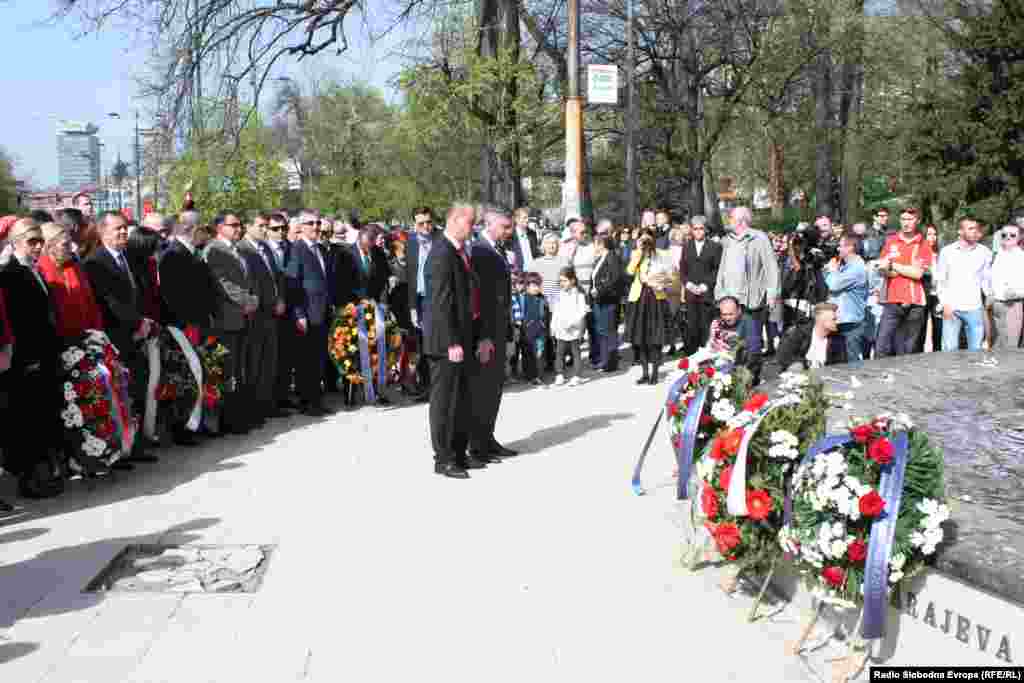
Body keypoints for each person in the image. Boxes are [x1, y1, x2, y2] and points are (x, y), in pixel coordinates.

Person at [84, 211, 158, 466]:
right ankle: (119, 450)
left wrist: (145, 322)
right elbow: (110, 302)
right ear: (102, 231)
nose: (124, 232)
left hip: (135, 336)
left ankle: (135, 445)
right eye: (117, 228)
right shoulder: (96, 262)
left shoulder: (127, 258)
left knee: (136, 390)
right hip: (114, 337)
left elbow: (138, 295)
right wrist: (138, 323)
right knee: (118, 394)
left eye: (125, 227)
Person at [0, 219, 64, 497]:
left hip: (45, 354)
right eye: (32, 241)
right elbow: (16, 322)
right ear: (15, 242)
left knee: (41, 417)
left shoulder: (33, 269)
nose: (38, 246)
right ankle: (28, 480)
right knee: (26, 421)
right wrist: (27, 359)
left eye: (40, 241)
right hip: (27, 359)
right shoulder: (10, 273)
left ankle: (41, 474)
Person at [425, 203, 478, 479]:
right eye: (470, 222)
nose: (473, 227)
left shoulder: (457, 251)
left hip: (461, 337)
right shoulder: (441, 253)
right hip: (447, 342)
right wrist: (451, 342)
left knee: (461, 399)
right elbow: (440, 303)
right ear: (455, 220)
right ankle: (443, 459)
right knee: (444, 402)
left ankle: (458, 452)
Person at [468, 205, 517, 461]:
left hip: (498, 327)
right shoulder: (480, 251)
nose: (509, 231)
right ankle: (478, 444)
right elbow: (482, 299)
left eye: (510, 227)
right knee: (483, 389)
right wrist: (484, 335)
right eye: (505, 227)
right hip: (486, 332)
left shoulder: (496, 249)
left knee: (494, 387)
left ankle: (488, 438)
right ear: (489, 224)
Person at [206, 212, 260, 432]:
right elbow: (223, 283)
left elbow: (249, 280)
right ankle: (229, 420)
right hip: (227, 319)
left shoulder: (237, 249)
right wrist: (248, 301)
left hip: (243, 318)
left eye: (240, 224)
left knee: (240, 369)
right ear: (220, 227)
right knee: (228, 370)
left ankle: (240, 414)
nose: (239, 228)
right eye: (233, 225)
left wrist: (253, 299)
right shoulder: (215, 250)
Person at [714, 206, 780, 363]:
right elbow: (722, 268)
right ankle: (731, 371)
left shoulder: (759, 238)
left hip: (752, 301)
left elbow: (771, 267)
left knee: (752, 343)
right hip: (729, 300)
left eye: (731, 218)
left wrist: (772, 293)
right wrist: (719, 291)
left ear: (741, 221)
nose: (728, 221)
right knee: (730, 342)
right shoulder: (728, 240)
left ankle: (751, 371)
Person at [238, 212, 285, 422]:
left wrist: (280, 298)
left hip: (271, 313)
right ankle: (254, 408)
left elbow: (276, 277)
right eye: (261, 226)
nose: (265, 230)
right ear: (248, 226)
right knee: (254, 364)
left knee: (269, 362)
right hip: (255, 314)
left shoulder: (264, 248)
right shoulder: (242, 249)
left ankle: (267, 404)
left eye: (267, 226)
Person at [286, 210, 332, 416]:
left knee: (318, 358)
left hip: (322, 311)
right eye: (310, 223)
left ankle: (316, 399)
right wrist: (299, 314)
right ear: (301, 226)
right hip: (307, 313)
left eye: (318, 223)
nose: (315, 227)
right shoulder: (297, 249)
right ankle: (308, 401)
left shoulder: (319, 249)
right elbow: (293, 283)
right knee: (307, 360)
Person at [874, 207, 933, 357]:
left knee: (908, 350)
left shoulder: (923, 244)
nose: (906, 223)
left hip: (915, 303)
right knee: (881, 347)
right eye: (903, 219)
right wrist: (890, 270)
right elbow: (882, 270)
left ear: (917, 221)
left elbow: (917, 274)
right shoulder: (891, 241)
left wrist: (893, 265)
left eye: (910, 219)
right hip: (892, 300)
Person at [36, 222, 104, 341]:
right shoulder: (40, 272)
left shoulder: (75, 267)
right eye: (65, 244)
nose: (71, 248)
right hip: (60, 341)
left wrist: (97, 331)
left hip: (87, 336)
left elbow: (90, 303)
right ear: (49, 247)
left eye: (70, 242)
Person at [934, 217, 992, 352]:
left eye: (976, 228)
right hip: (952, 308)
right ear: (960, 231)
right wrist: (944, 304)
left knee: (976, 350)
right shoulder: (947, 252)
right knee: (950, 350)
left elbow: (986, 279)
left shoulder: (984, 252)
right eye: (970, 228)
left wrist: (989, 298)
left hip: (975, 308)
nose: (974, 231)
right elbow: (941, 280)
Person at [626, 227, 672, 385]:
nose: (645, 242)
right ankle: (645, 372)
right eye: (642, 239)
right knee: (641, 337)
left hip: (656, 297)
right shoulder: (636, 254)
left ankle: (655, 373)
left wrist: (662, 284)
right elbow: (629, 271)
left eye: (648, 239)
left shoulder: (661, 254)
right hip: (639, 298)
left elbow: (671, 276)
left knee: (655, 338)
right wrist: (639, 252)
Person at [406, 207, 439, 401]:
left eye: (428, 222)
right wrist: (412, 307)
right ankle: (426, 387)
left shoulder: (441, 240)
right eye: (421, 223)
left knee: (436, 344)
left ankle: (437, 388)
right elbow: (411, 276)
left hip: (437, 299)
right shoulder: (411, 242)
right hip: (419, 300)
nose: (426, 226)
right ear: (415, 225)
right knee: (422, 346)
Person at [265, 213, 297, 412]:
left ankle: (283, 397)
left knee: (286, 356)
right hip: (269, 310)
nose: (280, 232)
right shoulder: (263, 249)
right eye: (275, 229)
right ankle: (271, 401)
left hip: (289, 309)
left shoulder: (291, 248)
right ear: (268, 230)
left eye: (284, 228)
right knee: (271, 358)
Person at [679, 216, 722, 355]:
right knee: (691, 327)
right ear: (692, 230)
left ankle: (706, 356)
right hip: (691, 293)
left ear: (706, 230)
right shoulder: (686, 246)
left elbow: (717, 269)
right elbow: (683, 269)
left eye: (701, 228)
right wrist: (688, 284)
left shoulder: (715, 246)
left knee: (706, 326)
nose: (698, 231)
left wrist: (706, 285)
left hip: (706, 293)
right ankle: (691, 356)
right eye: (695, 229)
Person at [823, 233, 869, 362]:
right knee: (835, 363)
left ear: (851, 247)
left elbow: (834, 285)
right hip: (839, 321)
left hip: (851, 324)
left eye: (841, 246)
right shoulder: (844, 266)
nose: (838, 249)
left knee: (851, 363)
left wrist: (832, 270)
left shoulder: (857, 268)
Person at [776, 302, 848, 371]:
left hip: (825, 376)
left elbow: (841, 365)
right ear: (820, 320)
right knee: (797, 366)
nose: (838, 322)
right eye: (834, 319)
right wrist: (806, 363)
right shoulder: (798, 333)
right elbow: (782, 356)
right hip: (798, 376)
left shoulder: (838, 339)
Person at [708, 296, 763, 382]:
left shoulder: (748, 321)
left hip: (744, 367)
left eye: (731, 314)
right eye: (724, 314)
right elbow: (710, 349)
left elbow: (754, 352)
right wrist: (712, 336)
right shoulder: (718, 322)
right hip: (723, 365)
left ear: (739, 311)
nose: (727, 318)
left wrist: (736, 338)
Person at [589, 233, 623, 372]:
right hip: (599, 300)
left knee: (609, 332)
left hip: (608, 300)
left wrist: (600, 290)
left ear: (601, 244)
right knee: (602, 331)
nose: (594, 246)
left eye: (595, 243)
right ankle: (604, 360)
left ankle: (611, 362)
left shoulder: (612, 257)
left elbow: (615, 279)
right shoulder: (601, 258)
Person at [552, 266, 590, 386]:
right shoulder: (559, 294)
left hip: (574, 329)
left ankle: (577, 375)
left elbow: (582, 312)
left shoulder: (579, 295)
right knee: (559, 353)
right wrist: (553, 326)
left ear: (572, 280)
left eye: (564, 280)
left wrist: (572, 323)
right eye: (560, 281)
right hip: (561, 329)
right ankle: (559, 374)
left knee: (575, 353)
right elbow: (556, 311)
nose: (562, 283)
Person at [990, 224, 1024, 349]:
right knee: (997, 344)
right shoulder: (997, 255)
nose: (1008, 237)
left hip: (1013, 305)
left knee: (1010, 346)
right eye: (1004, 235)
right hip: (996, 305)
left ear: (1019, 238)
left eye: (1012, 235)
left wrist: (1017, 293)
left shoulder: (1021, 257)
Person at [517, 272, 548, 384]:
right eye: (534, 285)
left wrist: (545, 328)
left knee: (539, 353)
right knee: (527, 354)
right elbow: (520, 314)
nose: (537, 288)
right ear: (527, 286)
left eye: (539, 285)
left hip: (540, 331)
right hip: (526, 331)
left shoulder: (542, 298)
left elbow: (546, 315)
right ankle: (529, 375)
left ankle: (538, 375)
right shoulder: (523, 298)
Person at [510, 207, 539, 272]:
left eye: (528, 217)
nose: (527, 220)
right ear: (516, 219)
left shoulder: (532, 233)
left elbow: (535, 252)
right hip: (519, 271)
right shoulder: (511, 235)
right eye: (524, 218)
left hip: (533, 270)